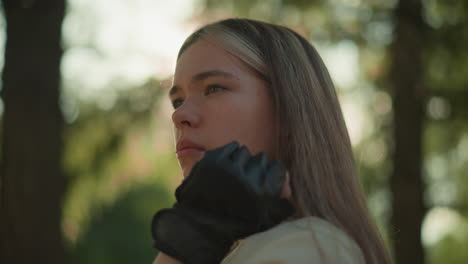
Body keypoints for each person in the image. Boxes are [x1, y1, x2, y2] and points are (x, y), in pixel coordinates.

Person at [151, 18, 392, 264]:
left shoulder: (308, 248)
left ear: (288, 107)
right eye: (178, 100)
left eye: (213, 88)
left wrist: (187, 240)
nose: (178, 115)